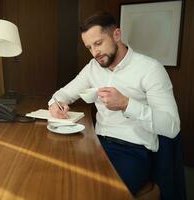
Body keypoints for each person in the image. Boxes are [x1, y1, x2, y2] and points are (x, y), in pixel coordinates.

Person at [48, 11, 180, 196]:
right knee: (60, 179)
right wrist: (56, 104)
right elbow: (62, 94)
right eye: (89, 47)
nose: (95, 53)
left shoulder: (150, 69)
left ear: (116, 35)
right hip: (97, 145)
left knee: (99, 193)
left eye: (98, 43)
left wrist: (127, 104)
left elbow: (172, 126)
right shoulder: (93, 67)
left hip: (133, 151)